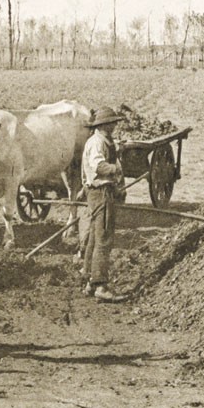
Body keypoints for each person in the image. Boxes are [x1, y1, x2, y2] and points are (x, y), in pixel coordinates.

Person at [80, 107, 127, 303]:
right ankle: (100, 285)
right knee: (104, 238)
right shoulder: (98, 143)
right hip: (101, 192)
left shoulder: (102, 141)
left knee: (95, 236)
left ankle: (90, 281)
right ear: (104, 125)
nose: (115, 126)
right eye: (113, 123)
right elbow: (99, 166)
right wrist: (116, 169)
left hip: (100, 192)